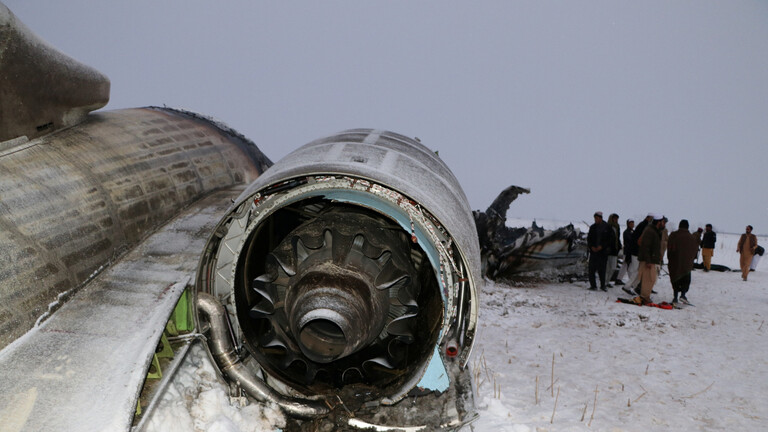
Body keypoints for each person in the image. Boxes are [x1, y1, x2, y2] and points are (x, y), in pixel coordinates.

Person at [666, 219, 698, 304]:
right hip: (687, 264)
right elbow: (695, 251)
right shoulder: (692, 238)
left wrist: (669, 258)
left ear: (679, 226)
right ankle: (683, 295)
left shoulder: (673, 235)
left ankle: (675, 297)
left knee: (675, 279)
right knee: (685, 280)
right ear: (688, 227)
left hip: (675, 263)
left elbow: (669, 248)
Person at [635, 214, 665, 305]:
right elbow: (645, 247)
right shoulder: (650, 231)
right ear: (659, 222)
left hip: (652, 260)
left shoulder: (655, 231)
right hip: (648, 261)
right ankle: (644, 297)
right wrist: (648, 261)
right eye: (663, 222)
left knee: (651, 280)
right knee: (648, 280)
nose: (664, 224)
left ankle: (645, 297)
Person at [624, 214, 653, 295]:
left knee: (637, 270)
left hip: (636, 251)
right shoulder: (644, 226)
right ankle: (628, 286)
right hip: (636, 251)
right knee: (636, 270)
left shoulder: (642, 225)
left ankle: (633, 286)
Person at [587, 211, 611, 291]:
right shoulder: (592, 227)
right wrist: (591, 247)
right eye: (595, 218)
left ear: (600, 218)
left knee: (602, 270)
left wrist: (602, 246)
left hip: (603, 252)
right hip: (593, 252)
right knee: (591, 269)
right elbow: (589, 239)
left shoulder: (607, 227)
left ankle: (603, 285)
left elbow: (610, 240)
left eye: (597, 218)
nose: (595, 220)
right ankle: (593, 285)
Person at [617, 218, 636, 286]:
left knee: (625, 266)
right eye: (631, 223)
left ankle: (619, 279)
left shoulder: (633, 232)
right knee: (629, 267)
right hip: (627, 251)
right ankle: (631, 281)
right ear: (628, 224)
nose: (632, 225)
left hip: (630, 251)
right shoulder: (626, 232)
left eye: (633, 223)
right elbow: (629, 242)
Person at [604, 213, 622, 287]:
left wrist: (619, 246)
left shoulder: (617, 227)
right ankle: (605, 282)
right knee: (608, 267)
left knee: (613, 267)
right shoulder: (608, 226)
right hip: (609, 250)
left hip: (615, 250)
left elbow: (617, 238)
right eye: (614, 218)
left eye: (617, 218)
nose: (616, 220)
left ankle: (607, 281)